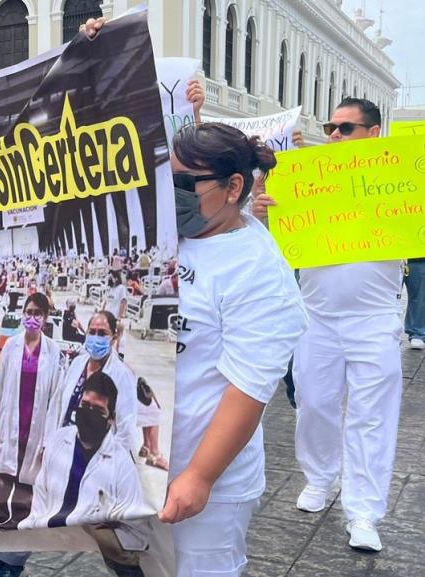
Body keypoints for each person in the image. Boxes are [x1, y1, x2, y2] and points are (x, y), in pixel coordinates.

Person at [252, 97, 404, 551]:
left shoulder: (398, 181)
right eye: (330, 127)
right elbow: (268, 235)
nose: (334, 134)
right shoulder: (303, 180)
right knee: (314, 404)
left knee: (372, 417)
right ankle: (319, 477)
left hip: (374, 319)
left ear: (373, 133)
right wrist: (263, 213)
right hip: (315, 317)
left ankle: (364, 511)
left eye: (346, 128)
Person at [164, 119, 308, 577]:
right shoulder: (175, 235)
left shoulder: (259, 272)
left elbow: (248, 388)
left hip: (209, 480)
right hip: (150, 471)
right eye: (167, 178)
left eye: (186, 183)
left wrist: (200, 476)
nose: (174, 192)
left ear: (233, 187)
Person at [24, 372, 144, 528]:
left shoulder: (123, 467)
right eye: (85, 405)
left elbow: (135, 530)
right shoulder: (58, 441)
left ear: (111, 419)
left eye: (99, 411)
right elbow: (40, 499)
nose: (89, 413)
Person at [0, 293, 61, 532]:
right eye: (29, 312)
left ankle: (19, 517)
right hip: (9, 419)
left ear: (45, 318)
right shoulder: (11, 345)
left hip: (35, 424)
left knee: (28, 474)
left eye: (38, 313)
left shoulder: (52, 349)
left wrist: (50, 439)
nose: (32, 317)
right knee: (4, 471)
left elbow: (54, 397)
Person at [47, 311, 139, 458]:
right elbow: (59, 406)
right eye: (92, 332)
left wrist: (112, 461)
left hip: (98, 455)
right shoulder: (77, 364)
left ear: (113, 337)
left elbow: (126, 429)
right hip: (66, 447)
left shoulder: (122, 375)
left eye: (102, 333)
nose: (96, 337)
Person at [408, 258, 425, 350]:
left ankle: (417, 333)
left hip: (418, 255)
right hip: (388, 254)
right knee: (389, 295)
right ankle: (387, 332)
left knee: (420, 295)